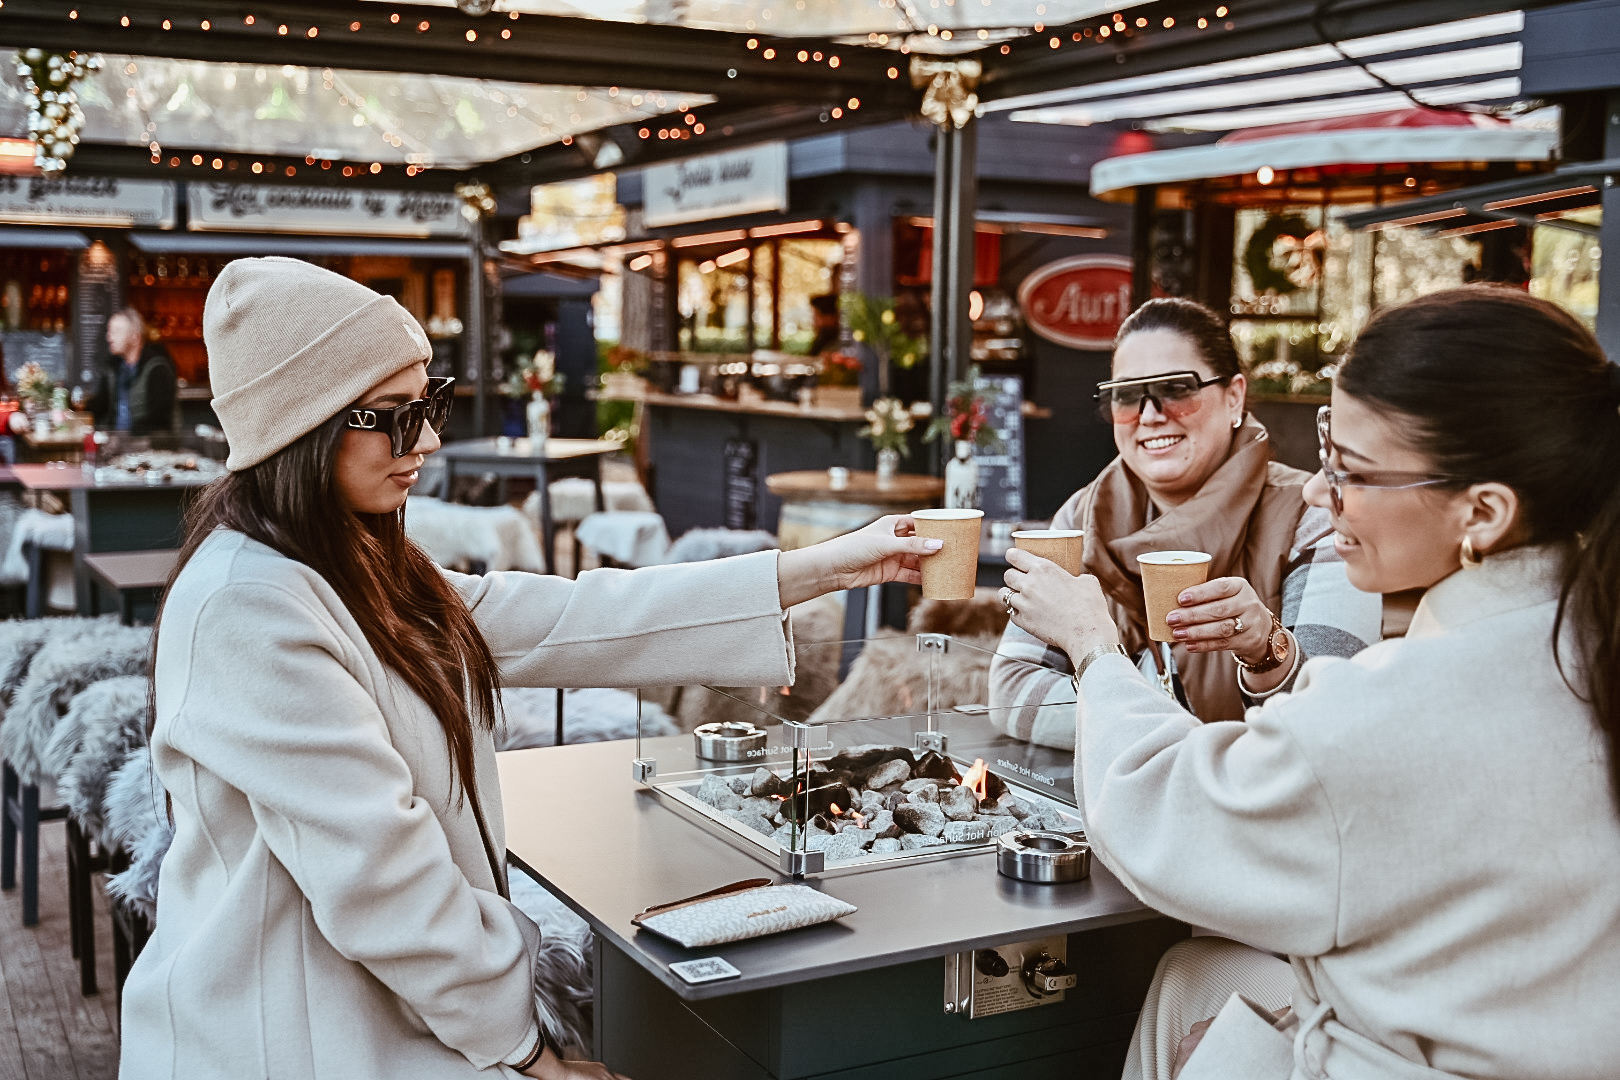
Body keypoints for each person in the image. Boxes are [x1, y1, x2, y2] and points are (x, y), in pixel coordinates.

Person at [120, 258, 943, 1080]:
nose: (430, 440)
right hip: (290, 1038)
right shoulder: (250, 607)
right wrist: (529, 1054)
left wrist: (833, 566)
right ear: (303, 428)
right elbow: (385, 884)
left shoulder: (350, 564)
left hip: (378, 1015)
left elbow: (572, 616)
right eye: (399, 417)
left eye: (430, 403)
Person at [1000, 286, 1620, 1080]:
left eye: (1352, 471)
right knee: (1194, 978)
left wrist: (1092, 646)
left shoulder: (1403, 699)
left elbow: (1166, 813)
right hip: (1523, 1019)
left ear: (1484, 512)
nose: (1325, 490)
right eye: (1125, 397)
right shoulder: (1574, 627)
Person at [989, 298, 1379, 747]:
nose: (1151, 414)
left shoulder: (1312, 515)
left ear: (1234, 396)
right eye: (1127, 395)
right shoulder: (1083, 515)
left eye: (1176, 388)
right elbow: (1011, 691)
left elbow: (1331, 714)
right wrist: (1171, 718)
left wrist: (1266, 649)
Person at [89, 307, 176, 435]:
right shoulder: (114, 368)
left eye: (116, 331)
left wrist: (127, 436)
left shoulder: (158, 368)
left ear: (135, 337)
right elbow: (99, 408)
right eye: (109, 331)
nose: (109, 337)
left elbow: (159, 419)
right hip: (116, 446)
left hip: (150, 448)